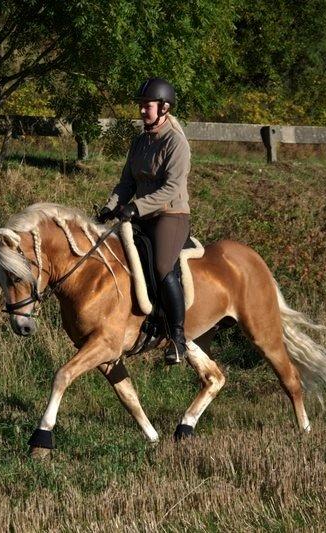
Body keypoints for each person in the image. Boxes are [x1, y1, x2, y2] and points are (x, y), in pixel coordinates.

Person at [97, 78, 192, 365]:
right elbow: (126, 182)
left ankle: (177, 338)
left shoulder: (175, 141)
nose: (141, 112)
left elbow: (172, 187)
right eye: (140, 106)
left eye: (147, 107)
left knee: (163, 266)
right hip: (140, 214)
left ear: (164, 107)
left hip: (170, 215)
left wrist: (135, 208)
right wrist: (110, 206)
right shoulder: (140, 141)